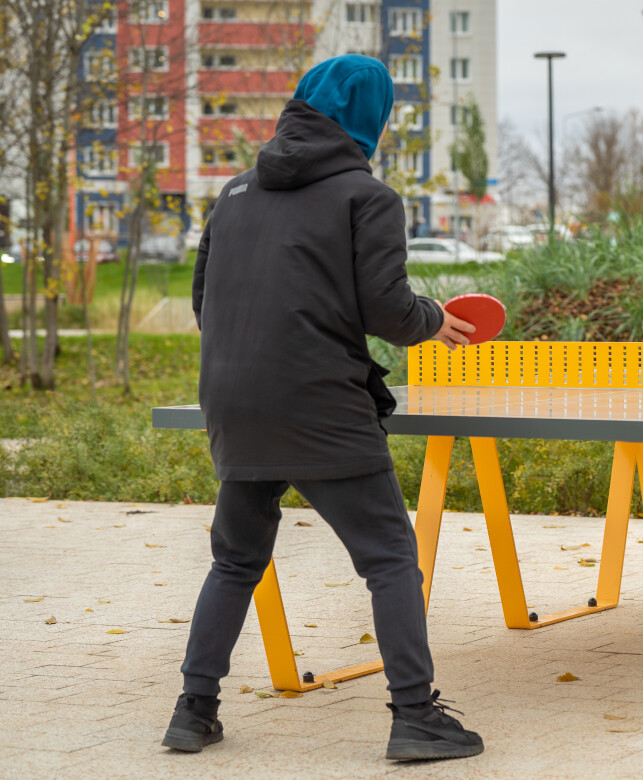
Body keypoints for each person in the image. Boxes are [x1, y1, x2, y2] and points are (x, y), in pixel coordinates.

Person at [164, 55, 484, 762]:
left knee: (234, 560)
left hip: (232, 398)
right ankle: (415, 717)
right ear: (371, 119)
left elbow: (203, 303)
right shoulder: (365, 197)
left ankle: (193, 711)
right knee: (391, 556)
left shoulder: (235, 193)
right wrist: (434, 319)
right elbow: (387, 309)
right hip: (318, 404)